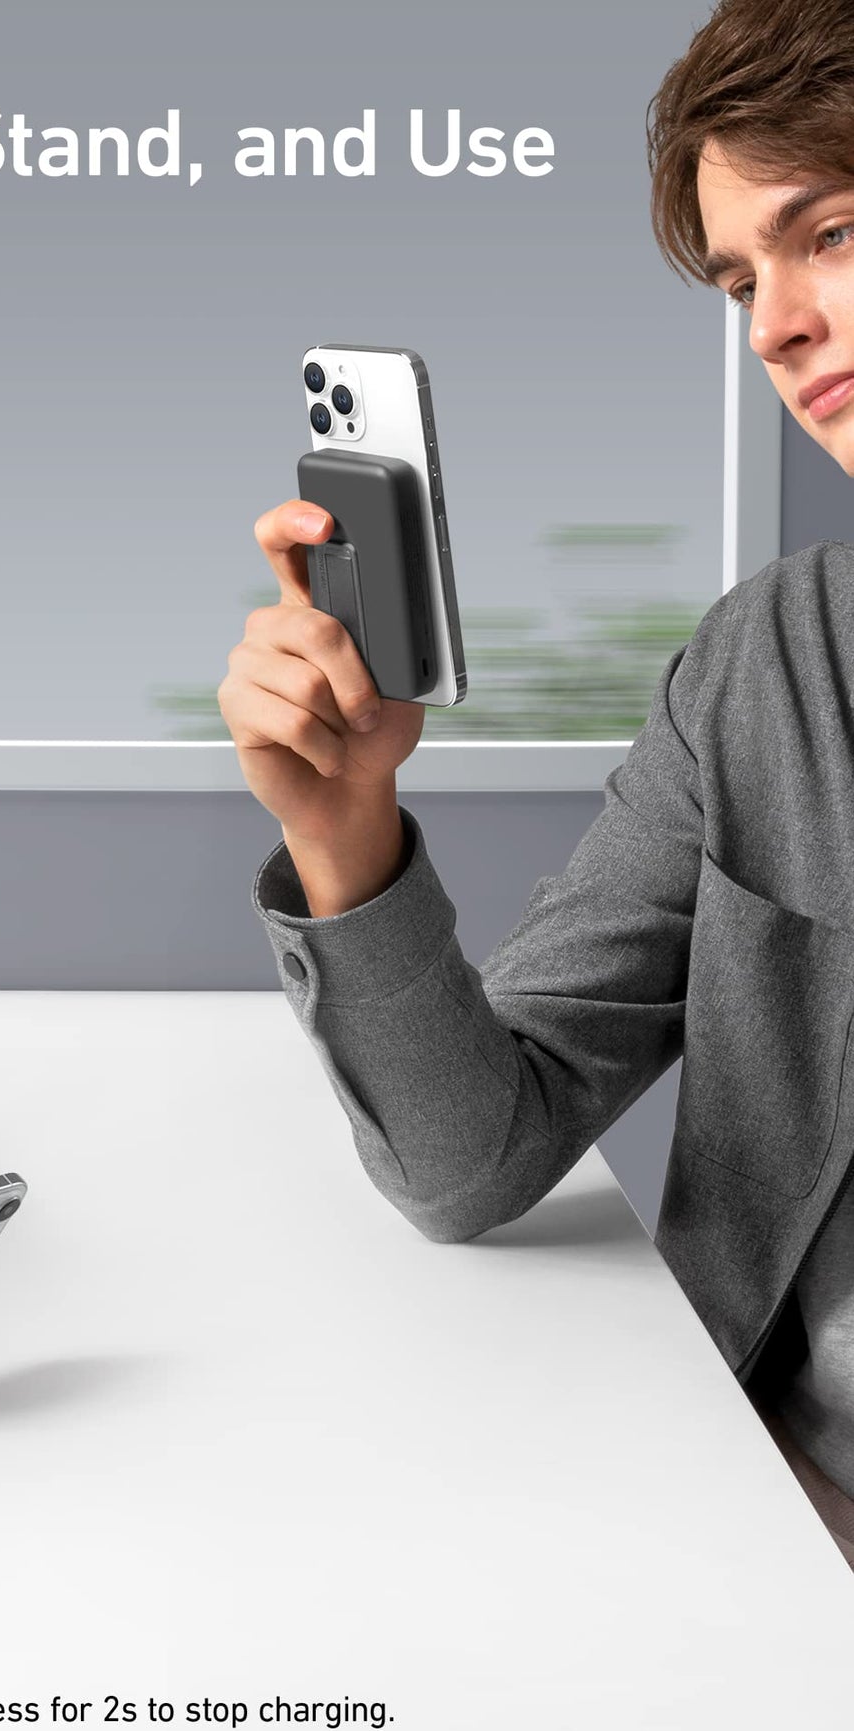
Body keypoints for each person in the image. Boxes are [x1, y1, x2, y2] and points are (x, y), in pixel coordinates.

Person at [219, 0, 854, 1572]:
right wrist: (340, 829)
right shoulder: (764, 664)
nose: (772, 323)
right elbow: (471, 1153)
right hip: (753, 1506)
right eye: (739, 280)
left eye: (827, 234)